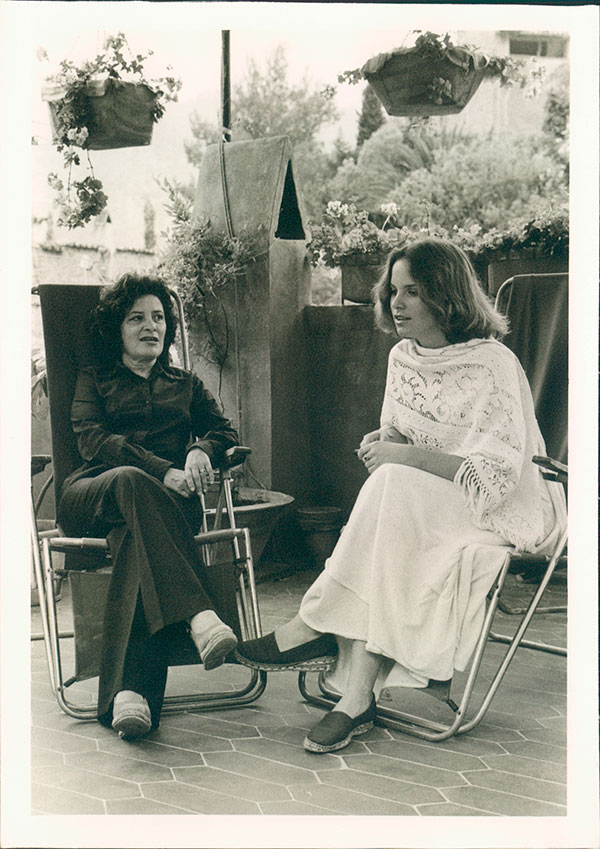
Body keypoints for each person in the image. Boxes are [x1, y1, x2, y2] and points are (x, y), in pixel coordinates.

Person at [235, 238, 567, 754]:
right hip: (422, 503)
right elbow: (403, 434)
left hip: (501, 508)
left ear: (446, 295)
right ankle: (357, 696)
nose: (397, 303)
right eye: (393, 291)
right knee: (392, 499)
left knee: (392, 486)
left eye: (413, 291)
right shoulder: (402, 357)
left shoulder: (493, 363)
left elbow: (497, 475)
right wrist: (387, 440)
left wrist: (402, 456)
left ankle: (313, 626)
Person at [58, 273, 240, 740]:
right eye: (136, 318)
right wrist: (162, 470)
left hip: (161, 511)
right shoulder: (94, 379)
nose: (150, 326)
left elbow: (225, 433)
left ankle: (129, 694)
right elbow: (94, 440)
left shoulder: (185, 384)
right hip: (93, 493)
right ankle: (199, 615)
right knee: (132, 479)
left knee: (136, 543)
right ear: (116, 329)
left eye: (158, 317)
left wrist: (200, 449)